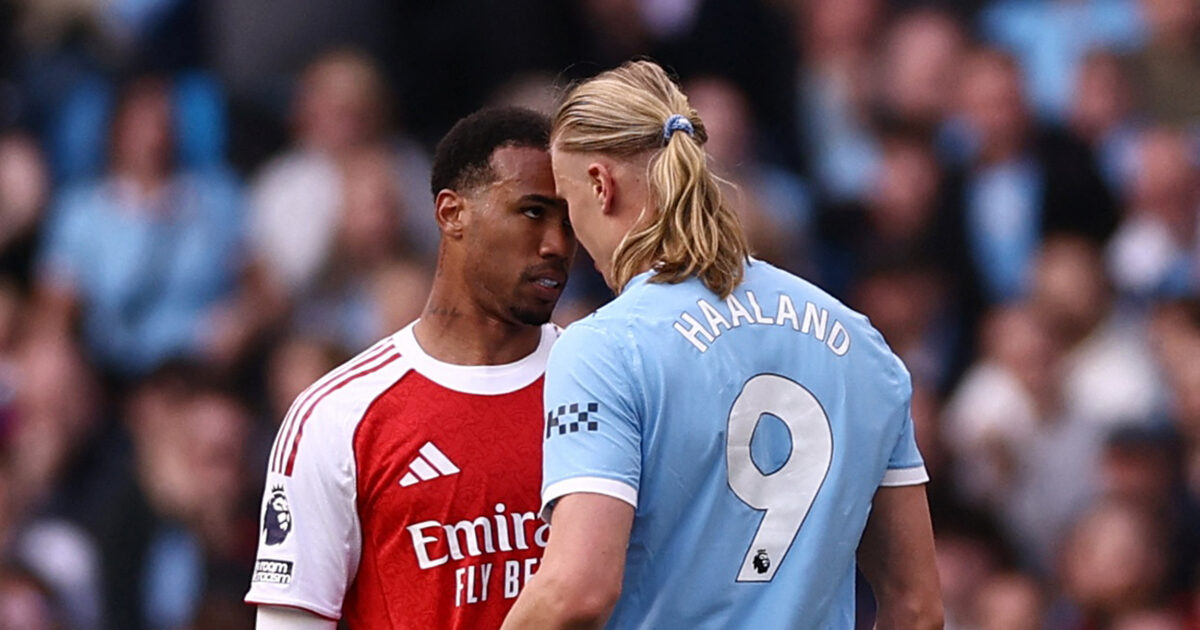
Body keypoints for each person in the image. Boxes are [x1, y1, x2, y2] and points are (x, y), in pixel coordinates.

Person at [502, 60, 942, 629]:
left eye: (565, 204)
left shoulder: (606, 348)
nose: (566, 238)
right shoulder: (862, 343)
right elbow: (918, 606)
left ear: (599, 185)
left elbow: (576, 589)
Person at [245, 107, 575, 629]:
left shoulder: (605, 384)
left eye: (569, 220)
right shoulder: (338, 416)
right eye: (533, 212)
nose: (557, 245)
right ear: (451, 213)